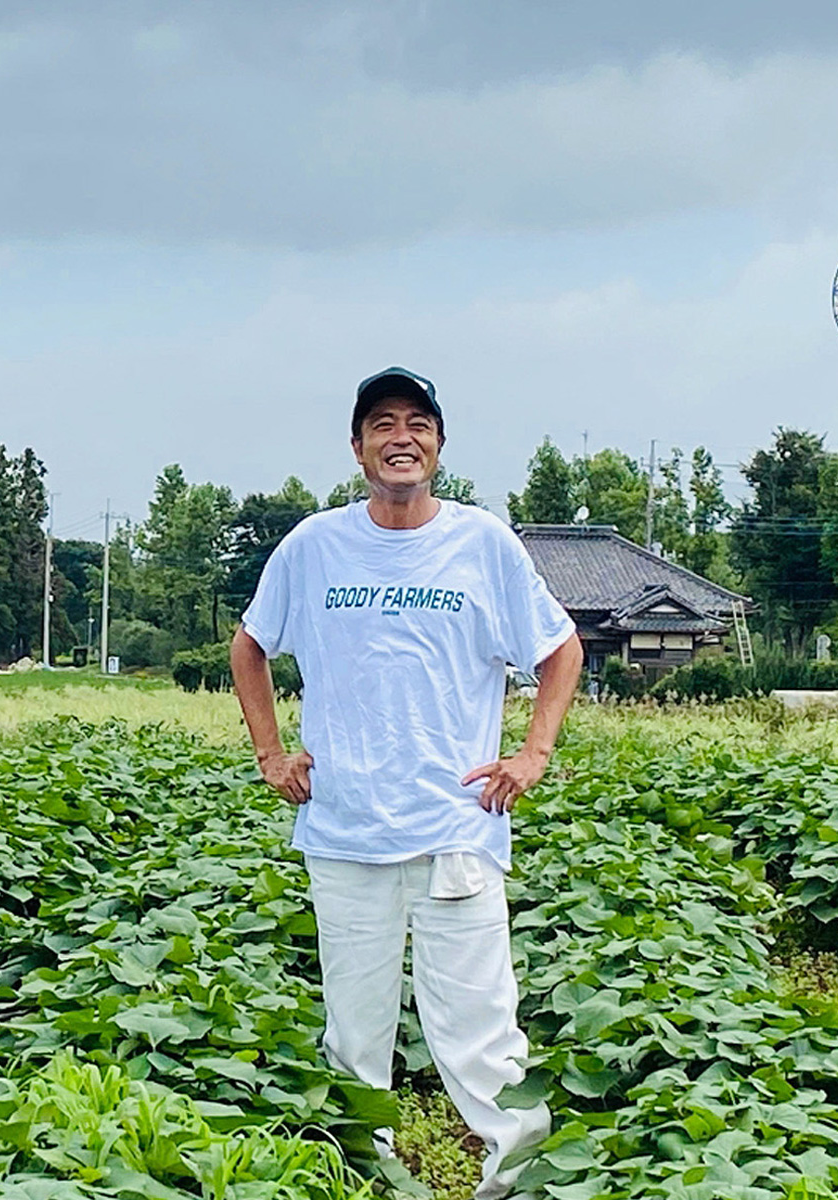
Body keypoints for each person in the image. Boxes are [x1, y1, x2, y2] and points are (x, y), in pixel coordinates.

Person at [229, 367, 583, 1199]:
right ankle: (363, 1175)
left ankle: (514, 1181)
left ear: (438, 444)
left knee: (479, 1029)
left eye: (417, 423)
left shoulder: (482, 542)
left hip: (455, 823)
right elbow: (250, 645)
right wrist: (270, 755)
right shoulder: (313, 545)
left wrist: (532, 753)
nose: (401, 437)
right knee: (354, 1031)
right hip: (345, 827)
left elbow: (558, 647)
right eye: (382, 423)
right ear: (356, 448)